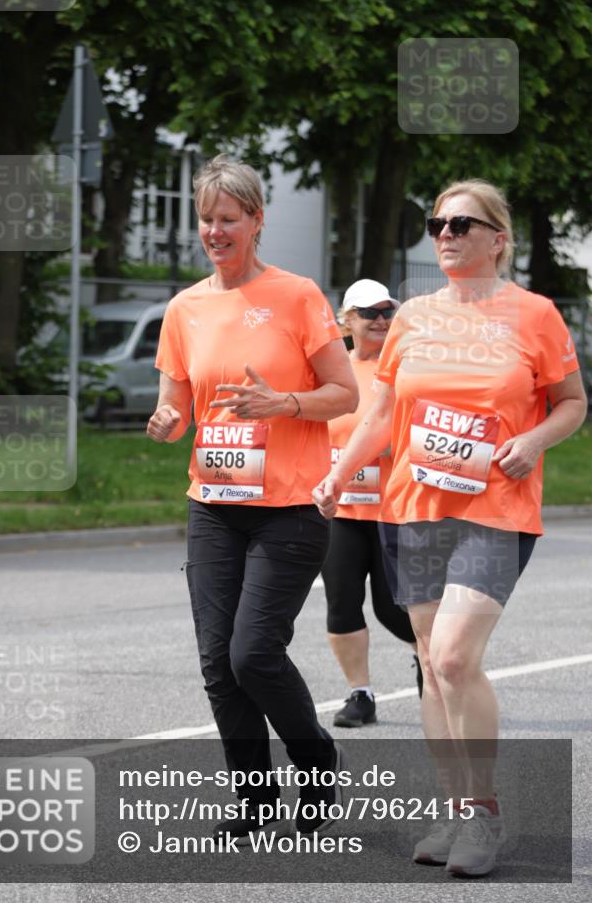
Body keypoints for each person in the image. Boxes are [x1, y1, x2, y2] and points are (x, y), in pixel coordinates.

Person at [313, 179, 586, 877]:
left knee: (458, 657)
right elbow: (381, 414)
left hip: (496, 508)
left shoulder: (532, 314)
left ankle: (484, 814)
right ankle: (455, 809)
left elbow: (570, 403)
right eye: (436, 223)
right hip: (413, 507)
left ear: (497, 238)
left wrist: (534, 442)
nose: (445, 234)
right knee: (433, 669)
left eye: (462, 224)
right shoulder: (412, 318)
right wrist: (340, 474)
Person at [146, 155, 358, 842]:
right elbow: (178, 403)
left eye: (227, 219)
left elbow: (345, 393)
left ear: (256, 221)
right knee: (216, 662)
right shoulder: (185, 307)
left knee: (252, 654)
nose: (214, 230)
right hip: (213, 505)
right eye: (206, 219)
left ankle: (315, 759)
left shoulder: (296, 296)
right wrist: (166, 421)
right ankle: (255, 797)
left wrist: (284, 401)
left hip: (290, 511)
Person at [321, 279, 423, 729]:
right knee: (342, 605)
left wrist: (391, 445)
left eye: (387, 311)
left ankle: (430, 654)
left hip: (393, 510)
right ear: (347, 321)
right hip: (339, 512)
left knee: (390, 607)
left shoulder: (404, 368)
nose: (381, 320)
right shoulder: (331, 373)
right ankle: (359, 694)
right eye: (369, 313)